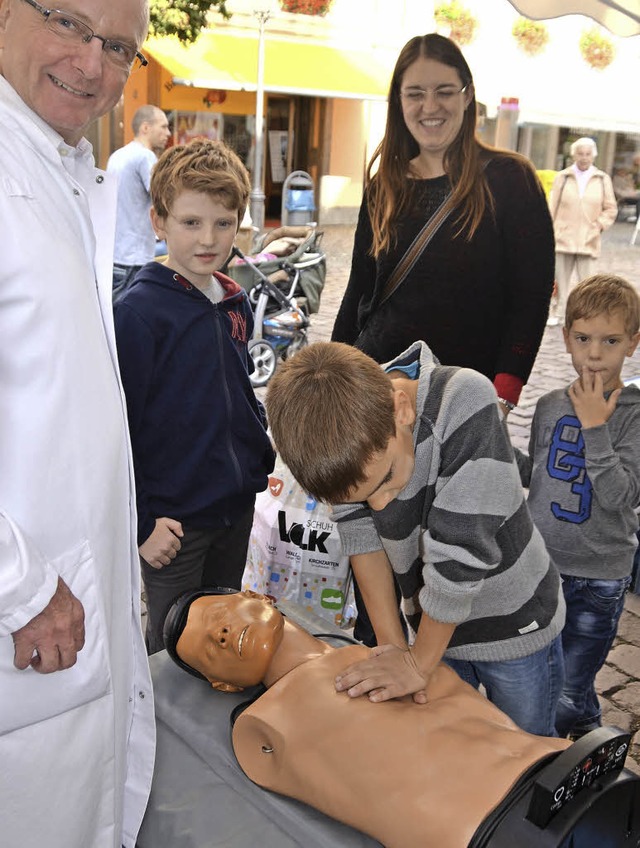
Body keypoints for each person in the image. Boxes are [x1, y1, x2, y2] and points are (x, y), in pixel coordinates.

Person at [0, 0, 155, 845]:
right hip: (28, 615)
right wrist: (19, 586)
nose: (93, 65)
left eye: (119, 47)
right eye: (68, 23)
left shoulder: (63, 166)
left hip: (69, 621)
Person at [265, 341, 566, 736]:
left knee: (527, 747)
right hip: (432, 627)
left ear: (401, 410)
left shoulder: (464, 400)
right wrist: (393, 650)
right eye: (363, 499)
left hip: (515, 626)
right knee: (452, 743)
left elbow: (461, 553)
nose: (381, 504)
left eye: (387, 479)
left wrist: (417, 663)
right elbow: (362, 541)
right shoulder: (346, 446)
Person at [164, 587, 571, 848]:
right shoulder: (260, 729)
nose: (218, 633)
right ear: (225, 687)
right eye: (207, 649)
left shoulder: (387, 657)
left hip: (554, 766)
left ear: (257, 596)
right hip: (486, 832)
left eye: (221, 612)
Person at [331, 33, 554, 415]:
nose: (429, 106)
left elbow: (530, 298)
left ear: (467, 96)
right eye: (415, 93)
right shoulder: (384, 183)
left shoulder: (510, 179)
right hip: (381, 386)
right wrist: (335, 377)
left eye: (445, 91)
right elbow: (360, 290)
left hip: (465, 394)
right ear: (398, 101)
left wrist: (503, 394)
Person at [114, 138, 275, 654]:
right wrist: (141, 523)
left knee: (222, 640)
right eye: (191, 223)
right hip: (173, 524)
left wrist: (253, 454)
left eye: (223, 223)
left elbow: (236, 390)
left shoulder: (233, 300)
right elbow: (117, 430)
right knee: (172, 646)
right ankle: (159, 735)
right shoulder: (137, 313)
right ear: (159, 220)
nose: (208, 239)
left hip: (233, 506)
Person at [513, 275, 640, 739]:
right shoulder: (548, 405)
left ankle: (558, 749)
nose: (593, 354)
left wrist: (593, 428)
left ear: (633, 342)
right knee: (546, 676)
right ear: (565, 337)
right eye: (583, 338)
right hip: (542, 566)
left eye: (610, 341)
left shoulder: (635, 415)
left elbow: (622, 495)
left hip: (599, 575)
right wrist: (496, 448)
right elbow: (539, 476)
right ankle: (586, 727)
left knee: (568, 685)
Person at [547, 138, 617, 325]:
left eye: (587, 154)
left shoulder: (602, 179)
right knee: (558, 281)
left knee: (587, 283)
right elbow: (552, 207)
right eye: (580, 153)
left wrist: (599, 225)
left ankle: (584, 316)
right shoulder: (563, 177)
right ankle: (556, 313)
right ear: (574, 155)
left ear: (593, 155)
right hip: (563, 237)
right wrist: (549, 230)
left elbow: (611, 208)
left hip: (589, 238)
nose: (584, 158)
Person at [107, 103, 170, 301]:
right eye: (163, 126)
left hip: (116, 254)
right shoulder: (145, 157)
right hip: (134, 257)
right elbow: (163, 197)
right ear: (145, 127)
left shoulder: (117, 156)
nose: (168, 133)